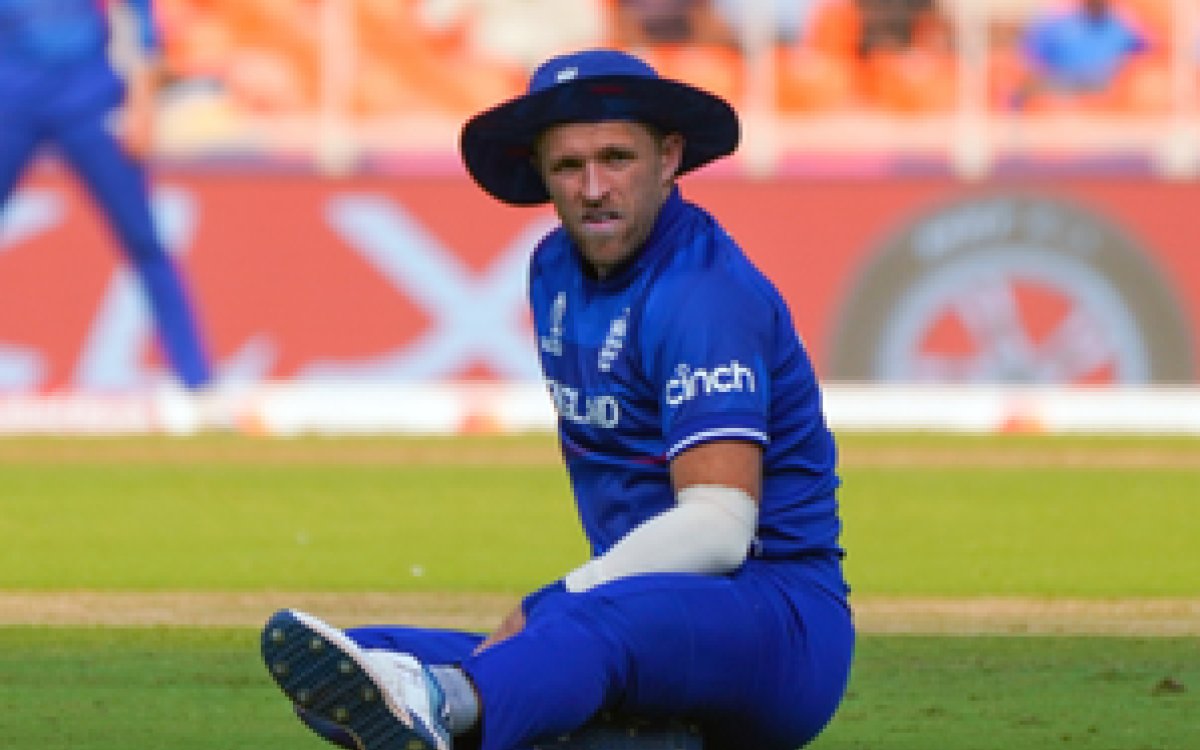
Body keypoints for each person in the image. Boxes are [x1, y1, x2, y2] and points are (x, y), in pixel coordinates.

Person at [260, 48, 854, 750]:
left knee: (564, 634)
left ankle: (452, 705)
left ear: (668, 158)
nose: (593, 188)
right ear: (541, 172)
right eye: (569, 166)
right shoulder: (552, 268)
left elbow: (719, 528)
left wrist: (558, 601)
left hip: (777, 623)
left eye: (617, 158)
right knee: (366, 660)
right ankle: (619, 732)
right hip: (634, 612)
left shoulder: (702, 294)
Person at [0, 0, 211, 389]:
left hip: (88, 96)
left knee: (143, 239)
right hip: (10, 98)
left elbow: (140, 16)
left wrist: (143, 102)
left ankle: (196, 382)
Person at [1011, 0, 1148, 108]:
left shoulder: (1125, 24)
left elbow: (1148, 58)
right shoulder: (1055, 23)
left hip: (1111, 96)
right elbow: (1028, 64)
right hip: (1061, 93)